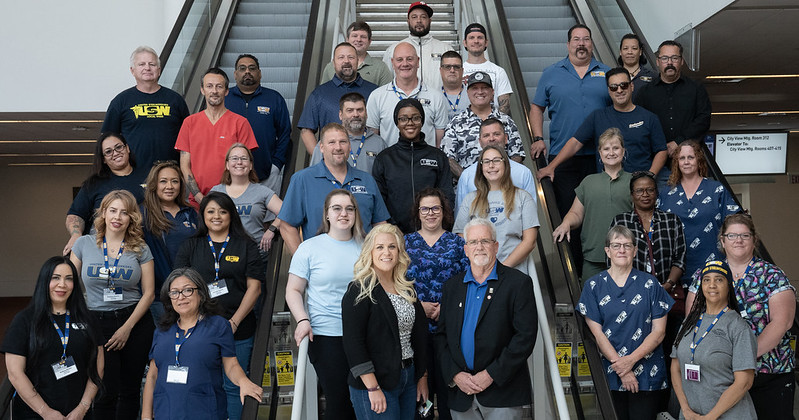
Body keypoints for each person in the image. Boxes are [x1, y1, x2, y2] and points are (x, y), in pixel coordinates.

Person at [685, 214, 796, 419]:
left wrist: (744, 358)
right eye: (732, 235)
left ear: (754, 240)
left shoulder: (772, 275)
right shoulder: (705, 274)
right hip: (720, 376)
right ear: (722, 240)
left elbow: (783, 322)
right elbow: (693, 320)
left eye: (745, 235)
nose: (738, 240)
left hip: (768, 373)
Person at [174, 192, 265, 420]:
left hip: (238, 328)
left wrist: (233, 322)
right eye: (211, 211)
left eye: (223, 211)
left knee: (234, 386)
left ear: (231, 215)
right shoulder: (191, 246)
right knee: (199, 383)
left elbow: (254, 288)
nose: (217, 216)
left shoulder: (246, 246)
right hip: (197, 328)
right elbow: (179, 285)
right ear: (202, 215)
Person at [436, 218, 537, 419]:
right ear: (466, 249)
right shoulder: (452, 287)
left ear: (496, 246)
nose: (479, 247)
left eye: (485, 241)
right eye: (473, 242)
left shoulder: (518, 284)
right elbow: (441, 337)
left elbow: (524, 338)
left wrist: (490, 374)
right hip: (461, 394)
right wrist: (455, 375)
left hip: (502, 393)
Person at [69, 190, 156, 420]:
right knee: (104, 390)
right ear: (104, 213)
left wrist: (126, 328)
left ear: (131, 218)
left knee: (130, 390)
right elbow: (70, 288)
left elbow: (149, 294)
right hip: (96, 322)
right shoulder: (83, 244)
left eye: (124, 212)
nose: (117, 217)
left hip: (134, 321)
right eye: (113, 210)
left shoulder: (141, 248)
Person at [576, 225, 674, 420]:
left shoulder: (650, 284)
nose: (622, 250)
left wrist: (630, 361)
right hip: (610, 375)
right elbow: (598, 334)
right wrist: (622, 369)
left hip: (646, 373)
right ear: (607, 251)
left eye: (627, 245)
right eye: (616, 245)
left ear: (635, 250)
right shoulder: (593, 286)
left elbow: (659, 332)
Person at [285, 189, 366, 420]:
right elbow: (293, 289)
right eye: (337, 208)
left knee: (364, 402)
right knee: (339, 402)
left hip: (365, 336)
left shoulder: (368, 246)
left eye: (349, 208)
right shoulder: (309, 248)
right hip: (327, 336)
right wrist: (302, 319)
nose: (344, 213)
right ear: (327, 214)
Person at [141, 267, 263, 420]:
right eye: (174, 292)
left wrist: (243, 382)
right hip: (166, 412)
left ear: (201, 293)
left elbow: (231, 365)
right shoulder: (162, 331)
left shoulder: (218, 326)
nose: (181, 297)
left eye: (187, 290)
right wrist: (146, 416)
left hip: (205, 411)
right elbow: (152, 376)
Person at [342, 224, 428, 419]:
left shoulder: (407, 289)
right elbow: (353, 343)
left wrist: (422, 377)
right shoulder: (359, 290)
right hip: (374, 383)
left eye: (392, 247)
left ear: (399, 252)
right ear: (370, 252)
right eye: (379, 247)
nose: (386, 252)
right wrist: (372, 388)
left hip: (408, 378)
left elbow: (419, 337)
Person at [2, 256, 104, 419]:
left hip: (78, 414)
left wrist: (82, 408)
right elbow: (15, 373)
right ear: (44, 281)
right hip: (34, 413)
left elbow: (98, 368)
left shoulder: (88, 319)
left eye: (68, 279)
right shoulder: (24, 320)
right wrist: (45, 412)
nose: (62, 284)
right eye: (55, 278)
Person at [529, 24, 611, 216]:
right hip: (562, 157)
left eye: (586, 39)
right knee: (567, 212)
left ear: (591, 44)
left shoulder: (607, 73)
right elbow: (537, 107)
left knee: (598, 213)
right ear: (568, 44)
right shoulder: (551, 73)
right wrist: (538, 138)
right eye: (576, 39)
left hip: (601, 157)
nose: (581, 44)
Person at [404, 188, 469, 420]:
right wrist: (417, 306)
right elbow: (393, 284)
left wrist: (447, 307)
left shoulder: (457, 243)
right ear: (418, 213)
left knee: (448, 389)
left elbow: (468, 282)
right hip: (414, 331)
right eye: (425, 209)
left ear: (444, 212)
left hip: (450, 330)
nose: (430, 213)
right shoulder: (404, 243)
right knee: (422, 397)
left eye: (436, 208)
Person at [277, 123, 390, 254]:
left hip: (362, 265)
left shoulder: (367, 180)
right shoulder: (302, 179)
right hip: (320, 266)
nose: (338, 147)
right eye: (332, 142)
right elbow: (287, 226)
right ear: (321, 147)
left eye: (343, 142)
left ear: (349, 146)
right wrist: (302, 261)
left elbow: (380, 224)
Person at [536, 67, 667, 179]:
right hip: (608, 186)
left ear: (631, 86)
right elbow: (575, 143)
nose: (619, 90)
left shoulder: (649, 117)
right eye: (614, 87)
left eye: (624, 85)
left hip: (640, 188)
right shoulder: (598, 117)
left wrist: (650, 177)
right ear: (609, 90)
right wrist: (551, 167)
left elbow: (661, 150)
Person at [610, 171, 686, 352]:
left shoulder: (671, 220)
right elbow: (614, 261)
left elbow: (680, 258)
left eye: (650, 190)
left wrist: (667, 285)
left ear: (656, 193)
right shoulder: (621, 222)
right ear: (632, 195)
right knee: (636, 348)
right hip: (631, 298)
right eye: (639, 191)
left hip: (667, 296)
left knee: (670, 349)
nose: (645, 194)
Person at [671, 260, 757, 420]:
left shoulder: (738, 326)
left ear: (728, 285)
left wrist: (710, 417)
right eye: (706, 280)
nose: (712, 285)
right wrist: (685, 410)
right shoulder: (689, 322)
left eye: (719, 279)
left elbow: (744, 382)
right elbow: (675, 366)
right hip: (691, 415)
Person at [658, 140, 740, 288]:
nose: (686, 162)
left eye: (691, 157)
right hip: (675, 270)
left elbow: (734, 225)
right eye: (682, 158)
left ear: (699, 160)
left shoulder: (716, 189)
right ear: (676, 162)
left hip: (712, 265)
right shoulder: (666, 193)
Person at [553, 128, 632, 279]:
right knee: (591, 301)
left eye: (616, 148)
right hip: (594, 257)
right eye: (606, 149)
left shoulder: (634, 181)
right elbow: (576, 213)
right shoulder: (588, 182)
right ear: (600, 154)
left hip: (626, 256)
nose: (611, 152)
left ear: (623, 151)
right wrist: (565, 223)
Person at [175, 68, 258, 205]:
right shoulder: (189, 123)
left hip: (233, 202)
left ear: (226, 91)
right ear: (202, 90)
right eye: (209, 86)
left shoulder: (240, 123)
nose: (214, 91)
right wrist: (199, 197)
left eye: (219, 86)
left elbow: (246, 165)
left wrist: (235, 197)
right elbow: (185, 165)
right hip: (198, 202)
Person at [372, 98, 455, 234]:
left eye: (415, 118)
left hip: (432, 233)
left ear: (422, 121)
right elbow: (379, 201)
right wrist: (392, 227)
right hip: (396, 234)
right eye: (403, 119)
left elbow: (447, 197)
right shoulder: (385, 158)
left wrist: (437, 227)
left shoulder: (437, 156)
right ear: (397, 122)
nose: (410, 123)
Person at [635, 40, 712, 185]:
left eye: (674, 58)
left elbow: (703, 119)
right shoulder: (645, 93)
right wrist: (661, 148)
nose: (669, 62)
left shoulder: (696, 89)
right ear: (658, 62)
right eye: (665, 58)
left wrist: (677, 142)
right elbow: (640, 124)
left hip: (692, 164)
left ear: (681, 61)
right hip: (657, 165)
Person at [453, 145, 538, 274]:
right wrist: (480, 265)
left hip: (514, 273)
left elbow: (530, 241)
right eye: (486, 161)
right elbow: (461, 237)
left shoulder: (523, 197)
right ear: (481, 167)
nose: (491, 165)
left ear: (506, 164)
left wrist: (502, 269)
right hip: (479, 274)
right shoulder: (470, 199)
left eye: (496, 160)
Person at [102, 46, 190, 169]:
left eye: (152, 64)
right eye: (141, 64)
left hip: (171, 173)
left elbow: (188, 138)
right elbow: (107, 139)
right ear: (132, 70)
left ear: (159, 70)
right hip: (133, 173)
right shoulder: (120, 101)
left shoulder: (176, 100)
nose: (147, 68)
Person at [64, 132, 145, 255]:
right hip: (101, 250)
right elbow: (75, 215)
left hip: (141, 246)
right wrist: (76, 236)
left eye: (118, 147)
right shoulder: (94, 183)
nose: (115, 153)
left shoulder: (148, 177)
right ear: (104, 159)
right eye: (108, 152)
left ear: (127, 148)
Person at [140, 161, 198, 323]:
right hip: (160, 294)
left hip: (189, 291)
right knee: (166, 342)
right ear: (154, 185)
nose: (169, 186)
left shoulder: (190, 213)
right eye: (163, 181)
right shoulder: (142, 214)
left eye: (175, 181)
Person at [226, 53, 292, 196]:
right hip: (229, 175)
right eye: (242, 68)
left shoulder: (274, 98)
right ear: (235, 74)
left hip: (267, 174)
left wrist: (276, 164)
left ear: (259, 73)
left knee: (268, 217)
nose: (247, 72)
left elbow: (285, 133)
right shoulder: (225, 98)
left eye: (252, 68)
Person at [441, 72, 525, 179]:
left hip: (503, 187)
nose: (480, 92)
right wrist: (469, 180)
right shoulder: (455, 123)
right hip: (468, 189)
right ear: (468, 92)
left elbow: (517, 155)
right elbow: (447, 158)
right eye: (475, 88)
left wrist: (501, 178)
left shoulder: (506, 121)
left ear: (492, 92)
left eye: (484, 88)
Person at [299, 42, 378, 154]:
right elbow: (306, 130)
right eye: (341, 57)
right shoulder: (319, 94)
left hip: (365, 159)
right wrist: (320, 159)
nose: (346, 61)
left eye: (351, 57)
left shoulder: (374, 92)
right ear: (333, 63)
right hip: (332, 162)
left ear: (358, 61)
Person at [367, 42, 449, 147]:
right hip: (390, 162)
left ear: (418, 62)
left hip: (425, 161)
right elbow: (373, 139)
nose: (405, 64)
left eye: (409, 59)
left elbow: (440, 140)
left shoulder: (436, 97)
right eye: (399, 60)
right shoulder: (377, 96)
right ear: (392, 63)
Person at [211, 143, 283, 255]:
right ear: (227, 165)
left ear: (250, 165)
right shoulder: (216, 192)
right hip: (222, 256)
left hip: (255, 257)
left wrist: (272, 229)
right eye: (234, 158)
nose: (239, 162)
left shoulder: (262, 191)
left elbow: (287, 212)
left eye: (244, 158)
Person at [455, 118, 536, 212]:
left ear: (506, 138)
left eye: (496, 134)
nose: (491, 139)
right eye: (486, 135)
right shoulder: (467, 175)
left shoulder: (523, 173)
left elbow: (531, 215)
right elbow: (461, 218)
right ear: (480, 142)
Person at [310, 92, 388, 173]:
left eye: (360, 110)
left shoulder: (379, 143)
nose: (355, 114)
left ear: (366, 113)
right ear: (340, 115)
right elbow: (313, 176)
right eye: (350, 110)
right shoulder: (327, 143)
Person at [382, 1, 453, 90]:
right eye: (414, 17)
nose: (419, 20)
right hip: (404, 102)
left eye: (423, 17)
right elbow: (387, 82)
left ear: (430, 21)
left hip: (438, 102)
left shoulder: (445, 49)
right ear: (408, 21)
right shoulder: (393, 50)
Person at [461, 23, 513, 114]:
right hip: (464, 124)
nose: (476, 41)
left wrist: (496, 123)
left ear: (486, 42)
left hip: (492, 124)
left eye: (480, 37)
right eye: (471, 37)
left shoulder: (498, 71)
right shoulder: (458, 71)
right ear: (465, 43)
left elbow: (505, 105)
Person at [321, 21, 393, 86]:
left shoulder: (381, 68)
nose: (358, 40)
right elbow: (323, 92)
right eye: (355, 36)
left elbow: (386, 96)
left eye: (363, 37)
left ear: (369, 41)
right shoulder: (331, 67)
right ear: (347, 39)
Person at [617, 34, 656, 98]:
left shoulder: (653, 76)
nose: (630, 52)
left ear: (640, 52)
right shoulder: (613, 76)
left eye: (634, 48)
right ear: (620, 52)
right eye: (625, 48)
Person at [439, 51, 470, 121]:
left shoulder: (473, 94)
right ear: (441, 70)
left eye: (456, 67)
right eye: (447, 67)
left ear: (462, 71)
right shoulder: (434, 97)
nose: (452, 70)